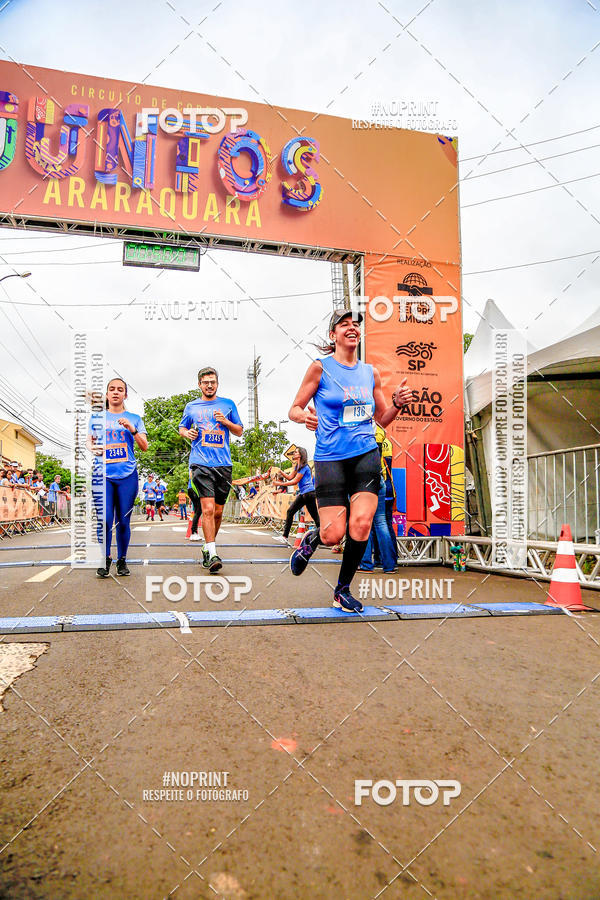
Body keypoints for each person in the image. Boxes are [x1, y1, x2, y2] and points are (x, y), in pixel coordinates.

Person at [288, 309, 412, 612]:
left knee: (361, 524)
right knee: (334, 534)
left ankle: (342, 590)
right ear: (333, 335)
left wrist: (396, 404)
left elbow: (382, 419)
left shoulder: (370, 373)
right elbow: (294, 408)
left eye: (355, 324)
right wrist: (305, 416)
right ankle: (313, 537)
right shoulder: (320, 368)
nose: (352, 328)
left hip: (365, 455)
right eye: (344, 325)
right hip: (330, 459)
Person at [178, 366, 243, 573]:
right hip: (200, 463)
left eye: (212, 382)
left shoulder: (228, 405)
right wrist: (186, 433)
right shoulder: (191, 407)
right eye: (205, 382)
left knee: (217, 512)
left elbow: (240, 431)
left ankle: (208, 546)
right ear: (199, 385)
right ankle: (213, 553)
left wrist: (225, 422)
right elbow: (182, 427)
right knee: (206, 509)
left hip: (223, 464)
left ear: (217, 383)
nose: (209, 385)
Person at [87, 376, 148, 577]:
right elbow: (89, 442)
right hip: (102, 475)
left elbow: (144, 446)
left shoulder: (135, 418)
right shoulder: (96, 418)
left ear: (125, 394)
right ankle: (105, 559)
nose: (115, 392)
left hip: (127, 475)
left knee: (123, 520)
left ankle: (122, 560)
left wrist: (132, 429)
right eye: (111, 389)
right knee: (104, 519)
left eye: (119, 389)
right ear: (107, 394)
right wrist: (92, 447)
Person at [358, 425, 398, 574]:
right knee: (381, 523)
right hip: (380, 479)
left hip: (364, 480)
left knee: (365, 523)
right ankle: (389, 565)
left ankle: (366, 564)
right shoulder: (381, 433)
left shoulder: (359, 432)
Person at [272, 448, 320, 544]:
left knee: (314, 516)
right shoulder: (297, 466)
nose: (294, 453)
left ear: (301, 455)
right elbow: (290, 477)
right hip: (304, 494)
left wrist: (278, 483)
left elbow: (294, 481)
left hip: (309, 493)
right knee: (291, 511)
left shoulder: (304, 467)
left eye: (296, 452)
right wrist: (280, 472)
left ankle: (324, 537)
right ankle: (285, 536)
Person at [187, 474, 202, 540]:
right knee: (198, 511)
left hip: (191, 489)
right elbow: (191, 475)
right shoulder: (195, 464)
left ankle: (194, 532)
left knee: (197, 511)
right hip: (195, 489)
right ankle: (193, 533)